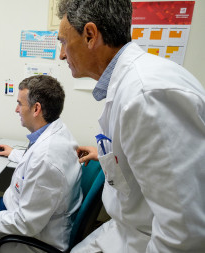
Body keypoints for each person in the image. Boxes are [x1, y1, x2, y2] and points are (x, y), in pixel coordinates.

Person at [57, 0, 205, 252]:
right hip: (128, 231)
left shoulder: (146, 95)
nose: (61, 54)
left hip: (146, 241)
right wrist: (108, 154)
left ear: (90, 35)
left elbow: (183, 233)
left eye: (63, 41)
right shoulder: (133, 85)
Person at [0, 75, 82, 253]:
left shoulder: (45, 159)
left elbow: (25, 223)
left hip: (34, 237)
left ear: (36, 109)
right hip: (30, 212)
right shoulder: (57, 131)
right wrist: (15, 153)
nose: (16, 109)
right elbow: (35, 160)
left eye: (20, 103)